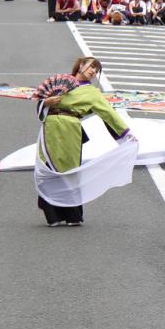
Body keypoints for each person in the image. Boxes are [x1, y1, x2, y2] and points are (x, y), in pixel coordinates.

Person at [36, 58, 132, 226]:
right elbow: (41, 101)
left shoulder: (92, 92)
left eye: (96, 70)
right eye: (91, 66)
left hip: (70, 127)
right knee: (47, 167)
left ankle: (72, 215)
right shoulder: (60, 82)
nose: (93, 71)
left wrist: (126, 133)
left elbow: (109, 113)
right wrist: (46, 102)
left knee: (70, 169)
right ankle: (52, 214)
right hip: (50, 126)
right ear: (81, 65)